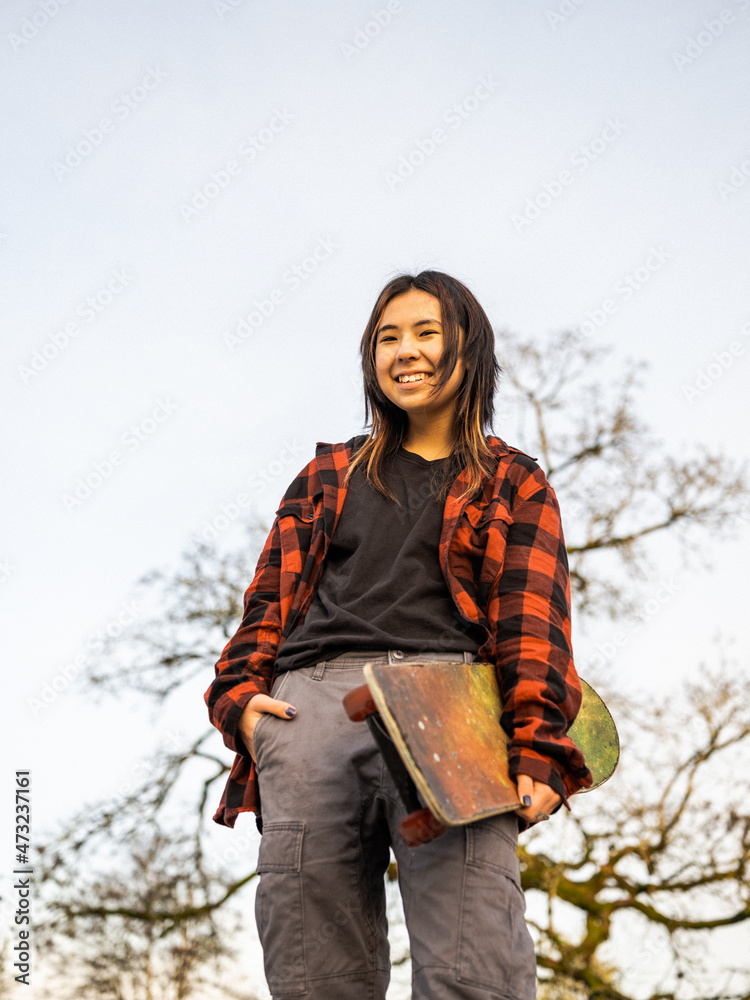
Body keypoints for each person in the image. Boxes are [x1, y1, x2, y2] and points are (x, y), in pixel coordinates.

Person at [204, 270, 593, 1000]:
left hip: (451, 713)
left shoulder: (514, 481)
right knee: (315, 974)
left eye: (426, 333)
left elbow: (534, 622)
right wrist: (243, 707)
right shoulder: (328, 474)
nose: (404, 351)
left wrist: (538, 747)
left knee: (476, 968)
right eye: (387, 337)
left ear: (468, 350)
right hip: (311, 708)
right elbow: (266, 605)